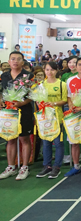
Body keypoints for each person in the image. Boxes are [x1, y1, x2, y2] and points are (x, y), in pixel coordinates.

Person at [0, 51, 34, 180]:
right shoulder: (4, 76)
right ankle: (11, 167)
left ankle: (24, 167)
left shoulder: (28, 76)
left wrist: (21, 103)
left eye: (18, 59)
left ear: (22, 62)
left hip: (23, 111)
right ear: (9, 61)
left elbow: (32, 95)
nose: (15, 61)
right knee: (10, 139)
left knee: (24, 139)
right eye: (12, 59)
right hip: (8, 112)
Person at [36, 62, 68, 179]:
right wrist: (40, 103)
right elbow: (37, 99)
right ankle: (46, 165)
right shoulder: (40, 85)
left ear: (56, 70)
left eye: (52, 70)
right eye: (47, 70)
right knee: (46, 143)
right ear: (44, 70)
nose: (50, 72)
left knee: (58, 143)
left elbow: (64, 100)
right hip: (44, 118)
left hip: (57, 117)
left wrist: (53, 103)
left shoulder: (62, 84)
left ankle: (56, 167)